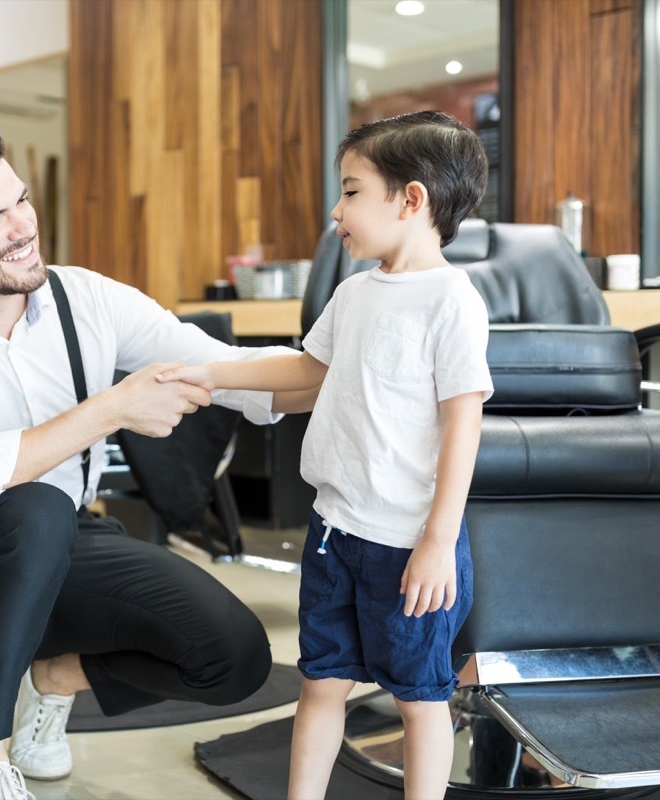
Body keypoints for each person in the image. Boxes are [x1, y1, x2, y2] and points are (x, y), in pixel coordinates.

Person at [0, 124, 307, 800]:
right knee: (32, 506)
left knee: (232, 657)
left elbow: (226, 368)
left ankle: (52, 681)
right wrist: (110, 410)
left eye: (21, 202)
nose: (22, 228)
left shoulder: (87, 298)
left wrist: (356, 361)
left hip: (68, 540)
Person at [158, 110, 492, 800]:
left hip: (409, 546)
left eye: (351, 191)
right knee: (320, 682)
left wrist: (439, 540)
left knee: (419, 695)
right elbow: (307, 374)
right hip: (336, 533)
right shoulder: (354, 292)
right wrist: (213, 373)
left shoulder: (451, 301)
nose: (334, 209)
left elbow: (465, 423)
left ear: (411, 200)